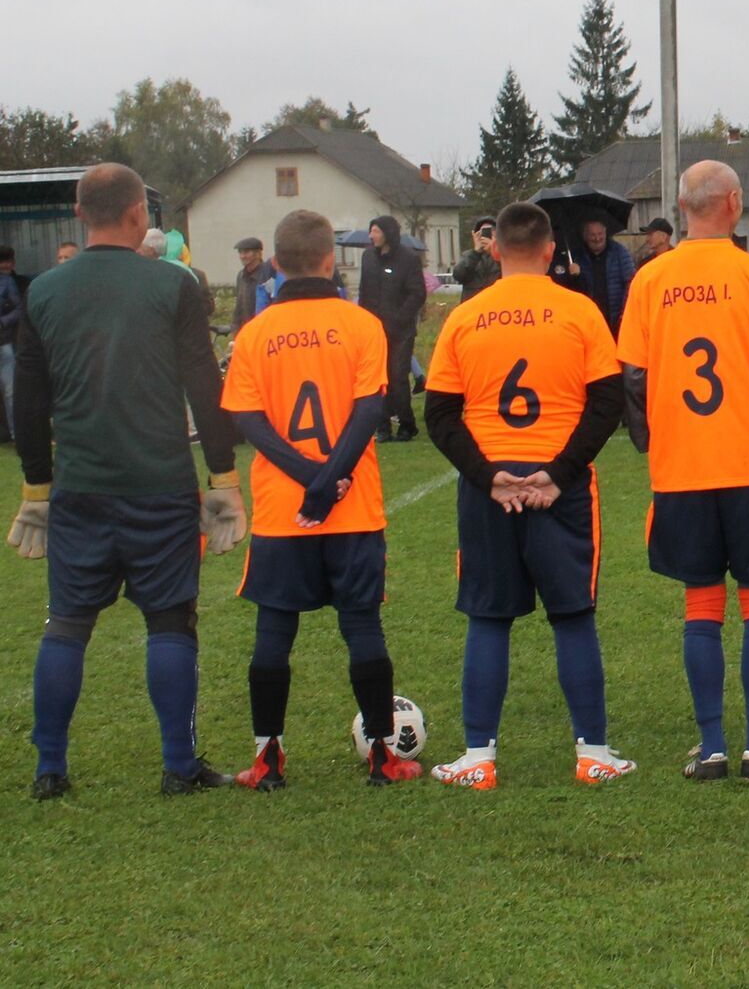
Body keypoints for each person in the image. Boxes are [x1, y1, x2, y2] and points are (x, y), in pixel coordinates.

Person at [7, 163, 247, 800]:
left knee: (67, 623)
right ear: (140, 214)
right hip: (160, 484)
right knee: (170, 621)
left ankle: (49, 770)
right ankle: (178, 765)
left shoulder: (45, 292)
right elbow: (204, 384)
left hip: (80, 486)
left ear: (81, 216)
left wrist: (36, 489)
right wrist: (223, 476)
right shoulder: (173, 287)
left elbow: (26, 401)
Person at [422, 201, 633, 789]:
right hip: (555, 487)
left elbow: (438, 413)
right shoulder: (579, 310)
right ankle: (593, 753)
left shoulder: (466, 316)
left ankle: (479, 759)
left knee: (488, 618)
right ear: (548, 252)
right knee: (572, 616)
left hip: (490, 487)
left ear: (494, 250)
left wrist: (488, 476)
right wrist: (560, 473)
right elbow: (608, 401)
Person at [620, 162, 749, 782]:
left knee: (701, 603)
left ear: (681, 207)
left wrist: (652, 439)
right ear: (734, 202)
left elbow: (631, 376)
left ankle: (710, 748)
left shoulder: (651, 280)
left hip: (684, 466)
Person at [220, 209, 419, 790]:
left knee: (273, 632)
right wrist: (330, 478)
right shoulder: (360, 325)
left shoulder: (253, 334)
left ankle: (267, 759)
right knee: (362, 627)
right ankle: (385, 757)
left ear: (277, 264)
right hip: (351, 505)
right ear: (332, 260)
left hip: (285, 512)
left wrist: (306, 478)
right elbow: (368, 411)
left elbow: (247, 423)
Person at [358, 214, 424, 441]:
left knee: (397, 376)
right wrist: (363, 321)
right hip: (374, 330)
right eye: (371, 231)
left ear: (387, 233)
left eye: (375, 231)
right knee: (378, 378)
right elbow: (364, 292)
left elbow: (417, 293)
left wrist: (399, 318)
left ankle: (407, 425)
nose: (371, 235)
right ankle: (382, 427)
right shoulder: (368, 258)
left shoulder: (408, 259)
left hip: (401, 330)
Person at [574, 213, 636, 335]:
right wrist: (574, 276)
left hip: (616, 319)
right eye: (592, 235)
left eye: (600, 234)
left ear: (605, 233)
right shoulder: (576, 257)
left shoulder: (620, 252)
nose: (597, 238)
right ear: (585, 236)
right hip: (588, 320)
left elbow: (631, 283)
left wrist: (624, 313)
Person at [0, 245, 26, 440]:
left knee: (11, 391)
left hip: (5, 342)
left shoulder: (8, 282)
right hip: (6, 342)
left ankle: (18, 435)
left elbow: (19, 309)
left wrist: (2, 322)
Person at [231, 236, 277, 335]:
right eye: (240, 252)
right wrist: (235, 330)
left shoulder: (268, 275)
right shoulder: (241, 276)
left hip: (264, 331)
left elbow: (274, 304)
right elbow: (239, 306)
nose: (242, 256)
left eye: (246, 252)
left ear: (258, 254)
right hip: (246, 331)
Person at [453, 216, 502, 300]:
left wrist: (494, 250)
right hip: (472, 305)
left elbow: (509, 274)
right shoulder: (469, 256)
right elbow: (458, 276)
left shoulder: (504, 256)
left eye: (490, 232)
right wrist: (476, 253)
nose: (486, 235)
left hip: (496, 303)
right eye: (482, 232)